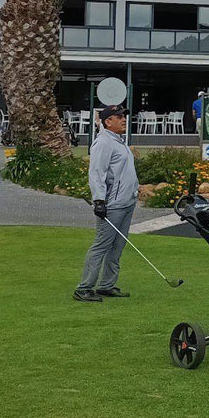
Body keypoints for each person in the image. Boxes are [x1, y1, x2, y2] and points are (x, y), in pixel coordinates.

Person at [75, 105, 139, 303]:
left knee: (117, 247)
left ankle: (106, 285)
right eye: (118, 116)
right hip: (112, 204)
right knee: (102, 245)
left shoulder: (119, 141)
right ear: (107, 121)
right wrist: (99, 200)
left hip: (127, 202)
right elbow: (96, 173)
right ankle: (84, 287)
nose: (123, 119)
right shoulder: (103, 142)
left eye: (124, 116)